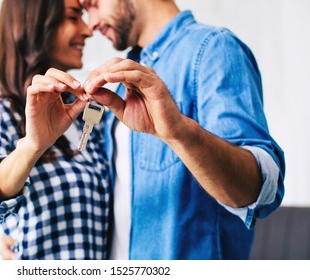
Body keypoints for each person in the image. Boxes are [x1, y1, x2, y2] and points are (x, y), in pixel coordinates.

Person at [77, 0, 285, 259]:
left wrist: (179, 133)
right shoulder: (122, 76)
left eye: (93, 4)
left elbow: (258, 191)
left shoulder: (214, 49)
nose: (91, 23)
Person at [0, 0, 111, 260]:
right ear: (36, 24)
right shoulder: (0, 112)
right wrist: (32, 146)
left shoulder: (84, 113)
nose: (88, 30)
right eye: (73, 17)